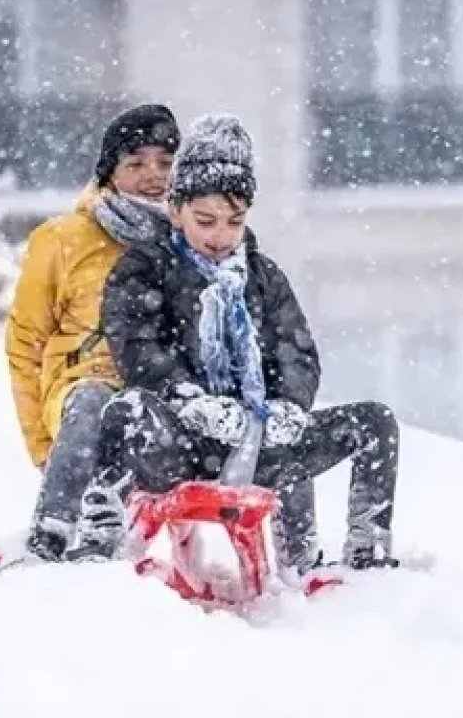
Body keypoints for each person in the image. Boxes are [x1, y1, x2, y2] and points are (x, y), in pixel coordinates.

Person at [77, 114, 402, 579]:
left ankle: (368, 555)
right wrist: (190, 399)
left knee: (374, 422)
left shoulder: (263, 278)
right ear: (175, 211)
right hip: (183, 443)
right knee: (123, 410)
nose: (220, 236)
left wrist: (287, 407)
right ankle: (99, 537)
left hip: (260, 442)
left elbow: (297, 351)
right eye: (205, 220)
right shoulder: (144, 269)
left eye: (234, 221)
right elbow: (136, 347)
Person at [4, 103, 179, 562]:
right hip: (81, 392)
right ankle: (51, 536)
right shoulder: (63, 239)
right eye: (135, 163)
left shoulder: (194, 236)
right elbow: (25, 344)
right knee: (94, 402)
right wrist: (44, 447)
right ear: (108, 172)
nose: (152, 175)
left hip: (158, 392)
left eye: (165, 162)